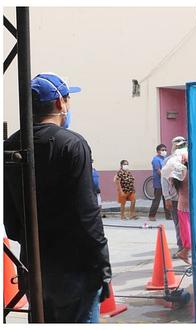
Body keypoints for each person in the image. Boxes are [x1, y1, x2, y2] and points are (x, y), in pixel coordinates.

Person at [4, 73, 111, 323]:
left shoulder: (11, 145)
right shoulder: (72, 144)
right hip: (75, 269)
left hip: (33, 267)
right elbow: (88, 215)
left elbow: (11, 220)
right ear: (60, 103)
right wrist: (103, 267)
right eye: (68, 99)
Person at [161, 136, 187, 258]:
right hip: (175, 198)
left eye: (181, 145)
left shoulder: (188, 158)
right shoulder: (169, 161)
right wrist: (167, 197)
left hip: (189, 198)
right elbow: (164, 179)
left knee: (190, 224)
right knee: (179, 224)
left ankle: (189, 247)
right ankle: (182, 247)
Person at [171, 150, 192, 264]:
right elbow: (172, 181)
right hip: (184, 208)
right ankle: (183, 253)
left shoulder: (188, 172)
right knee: (188, 238)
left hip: (192, 208)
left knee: (193, 237)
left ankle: (184, 253)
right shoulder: (183, 172)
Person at [148, 144, 171, 221]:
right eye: (162, 150)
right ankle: (151, 215)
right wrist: (166, 177)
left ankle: (168, 216)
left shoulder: (164, 159)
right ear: (158, 151)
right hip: (158, 183)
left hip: (165, 183)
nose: (164, 151)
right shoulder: (156, 160)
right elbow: (158, 171)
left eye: (165, 149)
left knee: (166, 199)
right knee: (157, 200)